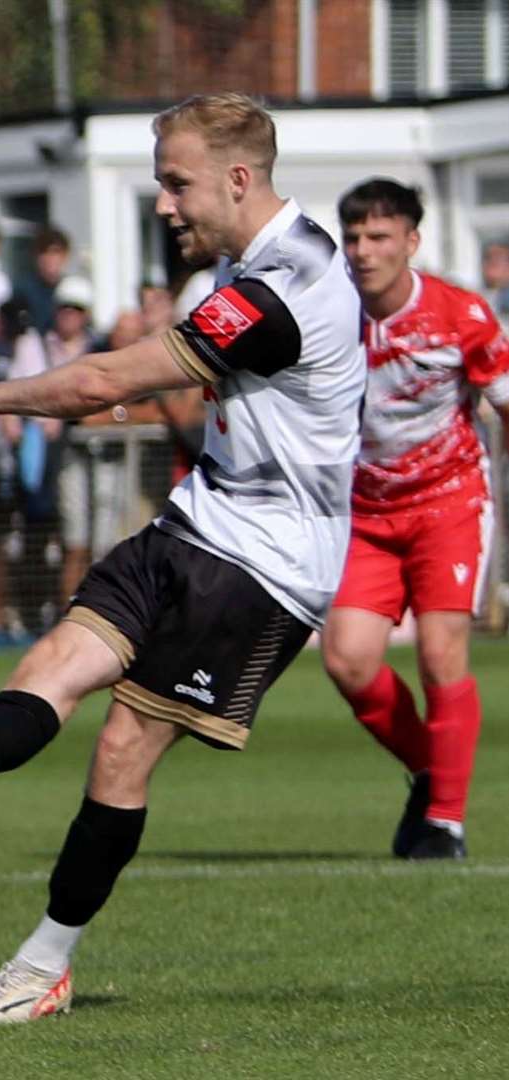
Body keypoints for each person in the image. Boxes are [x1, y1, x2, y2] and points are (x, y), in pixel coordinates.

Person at [0, 93, 364, 1023]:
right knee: (50, 664)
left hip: (265, 568)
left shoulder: (285, 283)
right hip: (197, 521)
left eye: (176, 182)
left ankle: (45, 963)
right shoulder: (243, 269)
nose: (164, 202)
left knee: (121, 752)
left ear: (239, 179)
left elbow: (99, 380)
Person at [320, 179, 509, 861]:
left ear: (410, 242)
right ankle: (434, 767)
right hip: (364, 510)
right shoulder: (325, 315)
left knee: (438, 652)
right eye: (353, 238)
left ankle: (443, 824)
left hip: (449, 502)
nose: (363, 251)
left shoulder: (461, 314)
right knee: (345, 660)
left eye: (378, 237)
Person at [12, 227, 72, 334]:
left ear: (65, 256)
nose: (49, 258)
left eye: (55, 252)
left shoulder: (72, 289)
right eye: (44, 252)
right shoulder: (22, 291)